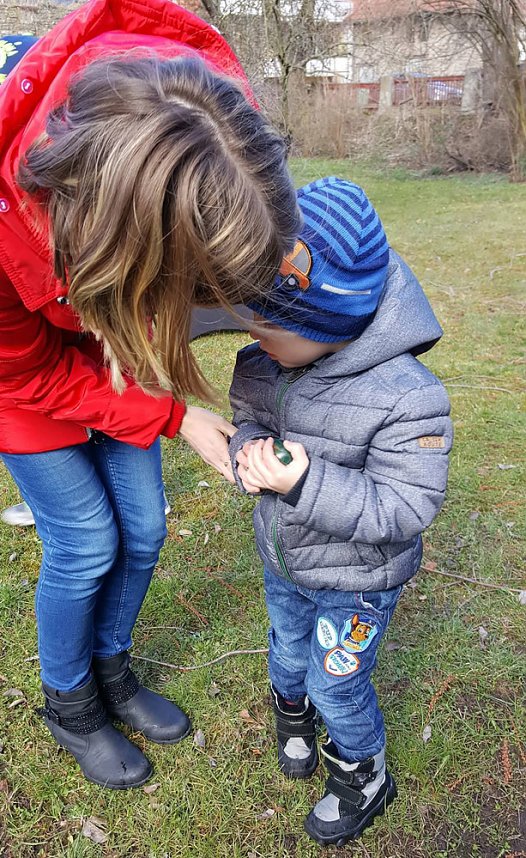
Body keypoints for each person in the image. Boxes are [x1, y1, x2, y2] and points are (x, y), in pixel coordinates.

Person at [0, 0, 300, 790]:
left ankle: (112, 669)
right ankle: (71, 704)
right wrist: (172, 414)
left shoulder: (203, 120)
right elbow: (27, 374)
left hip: (112, 345)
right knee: (86, 542)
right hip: (22, 381)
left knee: (143, 527)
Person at [228, 177, 453, 846]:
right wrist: (247, 451)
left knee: (337, 682)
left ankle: (363, 775)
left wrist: (304, 481)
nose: (254, 334)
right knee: (286, 650)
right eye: (251, 319)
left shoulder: (408, 397)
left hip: (357, 582)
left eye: (269, 325)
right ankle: (292, 715)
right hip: (284, 560)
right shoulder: (263, 363)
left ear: (328, 318)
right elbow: (248, 420)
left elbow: (405, 506)